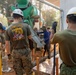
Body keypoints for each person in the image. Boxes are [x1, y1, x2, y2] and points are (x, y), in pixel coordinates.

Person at [5, 9, 33, 75]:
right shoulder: (26, 26)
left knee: (18, 72)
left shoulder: (8, 29)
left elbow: (7, 44)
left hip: (15, 52)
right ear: (21, 17)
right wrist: (31, 48)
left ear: (13, 17)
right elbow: (30, 38)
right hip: (25, 51)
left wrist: (8, 54)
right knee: (28, 71)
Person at [51, 7, 76, 75]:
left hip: (66, 71)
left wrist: (53, 29)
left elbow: (51, 41)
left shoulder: (60, 35)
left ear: (67, 20)